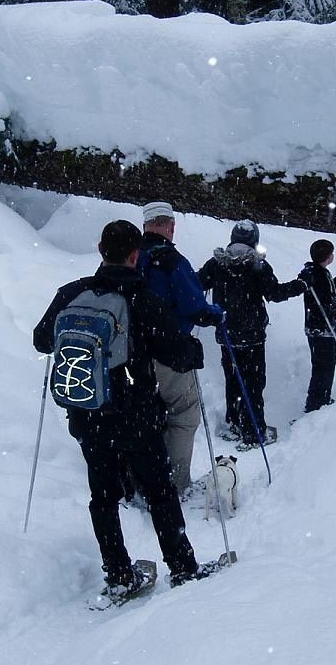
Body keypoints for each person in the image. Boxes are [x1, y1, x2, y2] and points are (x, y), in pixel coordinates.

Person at [33, 220, 217, 592]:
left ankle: (118, 574)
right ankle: (182, 568)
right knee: (160, 492)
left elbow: (41, 340)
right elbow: (178, 354)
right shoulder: (144, 299)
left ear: (101, 248)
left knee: (102, 497)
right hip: (136, 418)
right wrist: (194, 350)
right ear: (137, 255)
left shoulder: (72, 292)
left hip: (86, 414)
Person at [137, 202, 224, 493]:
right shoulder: (172, 261)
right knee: (183, 414)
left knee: (143, 414)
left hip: (129, 351)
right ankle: (172, 484)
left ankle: (138, 480)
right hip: (167, 352)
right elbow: (194, 307)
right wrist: (216, 313)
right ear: (171, 226)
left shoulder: (129, 255)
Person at [198, 219, 305, 449]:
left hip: (226, 333)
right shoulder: (258, 265)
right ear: (254, 241)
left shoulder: (217, 264)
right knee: (254, 382)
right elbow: (275, 293)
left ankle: (234, 424)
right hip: (253, 334)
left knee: (233, 379)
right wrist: (300, 285)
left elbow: (197, 283)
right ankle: (253, 431)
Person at [297, 238, 336, 413]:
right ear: (327, 256)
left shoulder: (320, 273)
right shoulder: (316, 275)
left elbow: (328, 294)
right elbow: (320, 304)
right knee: (323, 367)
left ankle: (321, 400)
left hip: (320, 328)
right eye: (331, 253)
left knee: (324, 366)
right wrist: (335, 314)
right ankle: (316, 405)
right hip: (322, 330)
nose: (333, 256)